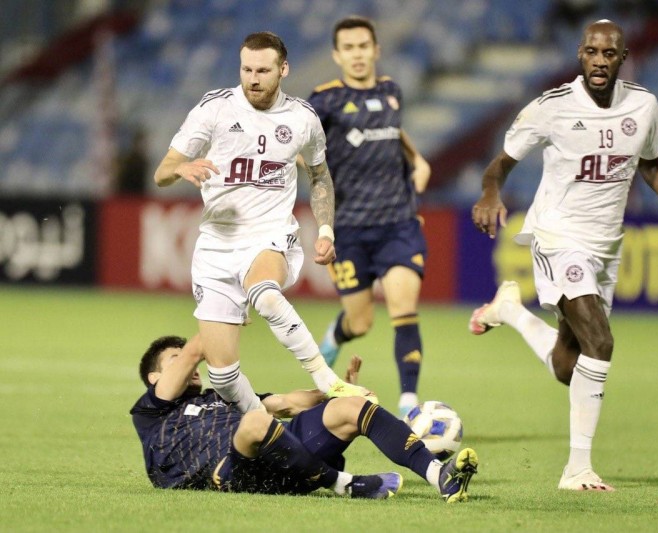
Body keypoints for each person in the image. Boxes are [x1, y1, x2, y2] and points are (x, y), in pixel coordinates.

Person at [470, 19, 658, 492]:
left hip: (605, 247)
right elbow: (500, 163)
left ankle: (511, 311)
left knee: (569, 366)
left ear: (623, 58)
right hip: (558, 237)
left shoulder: (643, 106)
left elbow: (650, 162)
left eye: (609, 53)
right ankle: (577, 470)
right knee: (601, 342)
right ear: (580, 55)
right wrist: (490, 193)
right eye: (592, 52)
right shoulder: (552, 107)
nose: (600, 61)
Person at [153, 32, 372, 414]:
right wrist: (182, 168)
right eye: (246, 70)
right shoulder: (215, 108)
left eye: (262, 71)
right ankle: (263, 427)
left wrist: (325, 230)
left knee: (266, 294)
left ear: (283, 69)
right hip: (216, 246)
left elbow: (320, 176)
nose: (252, 79)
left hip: (270, 234)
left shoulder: (302, 118)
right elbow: (162, 173)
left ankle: (328, 381)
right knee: (223, 376)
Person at [131, 334, 478, 502]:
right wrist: (227, 310)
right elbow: (198, 348)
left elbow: (286, 403)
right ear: (154, 378)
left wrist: (338, 391)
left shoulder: (220, 397)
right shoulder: (152, 411)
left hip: (283, 460)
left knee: (349, 409)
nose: (188, 365)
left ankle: (440, 476)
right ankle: (345, 484)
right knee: (254, 423)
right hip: (231, 472)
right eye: (175, 360)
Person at [307, 16, 432, 417]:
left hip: (398, 223)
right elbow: (299, 144)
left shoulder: (392, 91)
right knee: (360, 322)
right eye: (349, 48)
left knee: (403, 306)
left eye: (363, 46)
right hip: (349, 229)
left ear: (376, 50)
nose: (357, 54)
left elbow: (393, 131)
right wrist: (308, 169)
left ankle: (409, 404)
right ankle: (335, 334)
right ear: (337, 55)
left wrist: (417, 159)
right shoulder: (324, 100)